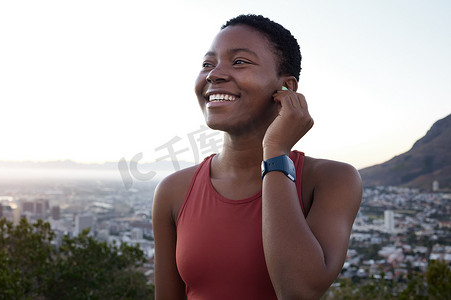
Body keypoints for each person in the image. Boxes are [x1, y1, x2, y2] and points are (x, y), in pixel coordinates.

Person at [153, 14, 362, 300]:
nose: (215, 74)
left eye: (239, 62)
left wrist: (275, 151)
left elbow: (298, 291)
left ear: (286, 87)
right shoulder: (173, 191)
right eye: (207, 64)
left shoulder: (332, 180)